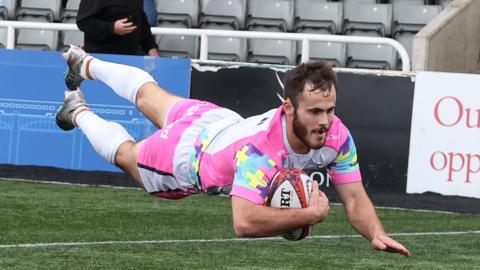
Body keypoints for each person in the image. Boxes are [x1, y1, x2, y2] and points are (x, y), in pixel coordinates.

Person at [56, 45, 411, 257]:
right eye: (314, 112)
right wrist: (309, 215)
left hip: (217, 121)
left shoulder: (338, 136)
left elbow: (353, 197)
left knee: (150, 95)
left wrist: (375, 232)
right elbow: (244, 222)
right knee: (127, 155)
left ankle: (83, 62)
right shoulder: (262, 153)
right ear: (288, 108)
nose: (325, 121)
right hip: (186, 158)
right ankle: (78, 111)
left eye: (330, 110)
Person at [76, 0, 159, 56]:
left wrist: (151, 48)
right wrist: (112, 28)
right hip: (100, 58)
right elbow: (83, 21)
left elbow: (140, 19)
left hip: (129, 58)